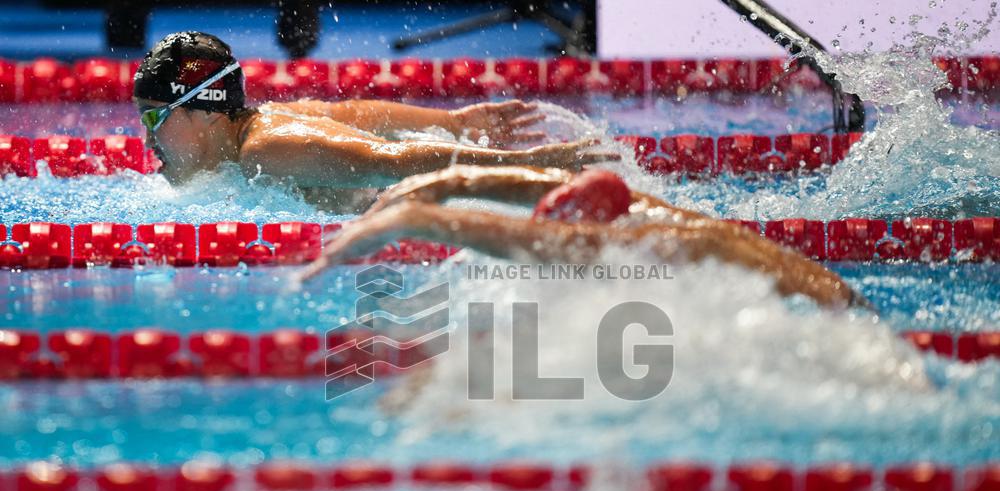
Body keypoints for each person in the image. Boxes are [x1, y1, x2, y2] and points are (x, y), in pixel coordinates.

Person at [300, 166, 867, 309]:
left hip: (848, 332)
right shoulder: (652, 218)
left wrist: (415, 221)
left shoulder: (685, 242)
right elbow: (551, 189)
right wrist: (459, 181)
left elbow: (557, 246)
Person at [133, 31, 613, 192]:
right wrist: (450, 122)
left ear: (209, 112)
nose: (147, 137)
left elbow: (392, 162)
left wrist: (532, 164)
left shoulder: (271, 150)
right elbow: (353, 113)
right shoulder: (260, 123)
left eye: (155, 117)